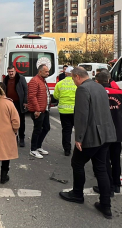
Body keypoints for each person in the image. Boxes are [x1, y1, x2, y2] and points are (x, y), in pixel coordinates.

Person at [59, 67, 117, 219]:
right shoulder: (99, 86)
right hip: (106, 134)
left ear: (77, 77)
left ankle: (77, 194)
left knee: (77, 163)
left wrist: (79, 138)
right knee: (101, 168)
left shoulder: (83, 89)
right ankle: (105, 205)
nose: (73, 82)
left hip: (92, 136)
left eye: (73, 79)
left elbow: (81, 115)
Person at [93, 72, 122, 196]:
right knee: (115, 158)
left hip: (104, 132)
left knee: (104, 160)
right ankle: (116, 184)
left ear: (97, 81)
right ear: (109, 80)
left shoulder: (96, 93)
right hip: (118, 131)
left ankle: (108, 187)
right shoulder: (120, 93)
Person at [27, 64, 51, 159]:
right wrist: (37, 109)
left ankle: (38, 146)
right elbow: (32, 96)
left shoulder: (42, 81)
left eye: (48, 71)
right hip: (38, 110)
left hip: (44, 109)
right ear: (40, 71)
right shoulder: (34, 81)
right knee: (37, 129)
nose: (48, 73)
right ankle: (33, 149)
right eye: (46, 71)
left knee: (46, 128)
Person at [53, 66, 76, 156]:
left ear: (66, 73)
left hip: (64, 111)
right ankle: (79, 148)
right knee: (78, 130)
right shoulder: (77, 83)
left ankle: (67, 149)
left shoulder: (60, 83)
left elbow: (55, 96)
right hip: (75, 110)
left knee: (66, 130)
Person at [3, 65, 28, 147]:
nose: (11, 73)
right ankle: (14, 138)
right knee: (10, 122)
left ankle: (21, 138)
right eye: (9, 72)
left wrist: (25, 101)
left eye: (12, 71)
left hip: (19, 104)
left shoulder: (21, 78)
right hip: (9, 104)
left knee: (21, 122)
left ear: (15, 71)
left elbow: (26, 90)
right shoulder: (6, 79)